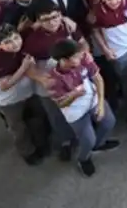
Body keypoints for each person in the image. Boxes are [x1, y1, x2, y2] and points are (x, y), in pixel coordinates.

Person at [46, 38, 119, 177]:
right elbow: (61, 104)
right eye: (76, 56)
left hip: (92, 99)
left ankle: (99, 144)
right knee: (88, 140)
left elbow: (98, 78)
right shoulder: (53, 80)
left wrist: (101, 105)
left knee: (109, 122)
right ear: (64, 60)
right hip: (75, 111)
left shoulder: (84, 58)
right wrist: (74, 94)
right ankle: (83, 158)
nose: (81, 56)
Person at [0, 24, 47, 164]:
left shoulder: (23, 46)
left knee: (36, 118)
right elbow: (5, 85)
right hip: (10, 100)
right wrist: (24, 67)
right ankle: (27, 152)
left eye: (16, 38)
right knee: (19, 128)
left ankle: (41, 144)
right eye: (7, 42)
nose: (14, 44)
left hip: (28, 92)